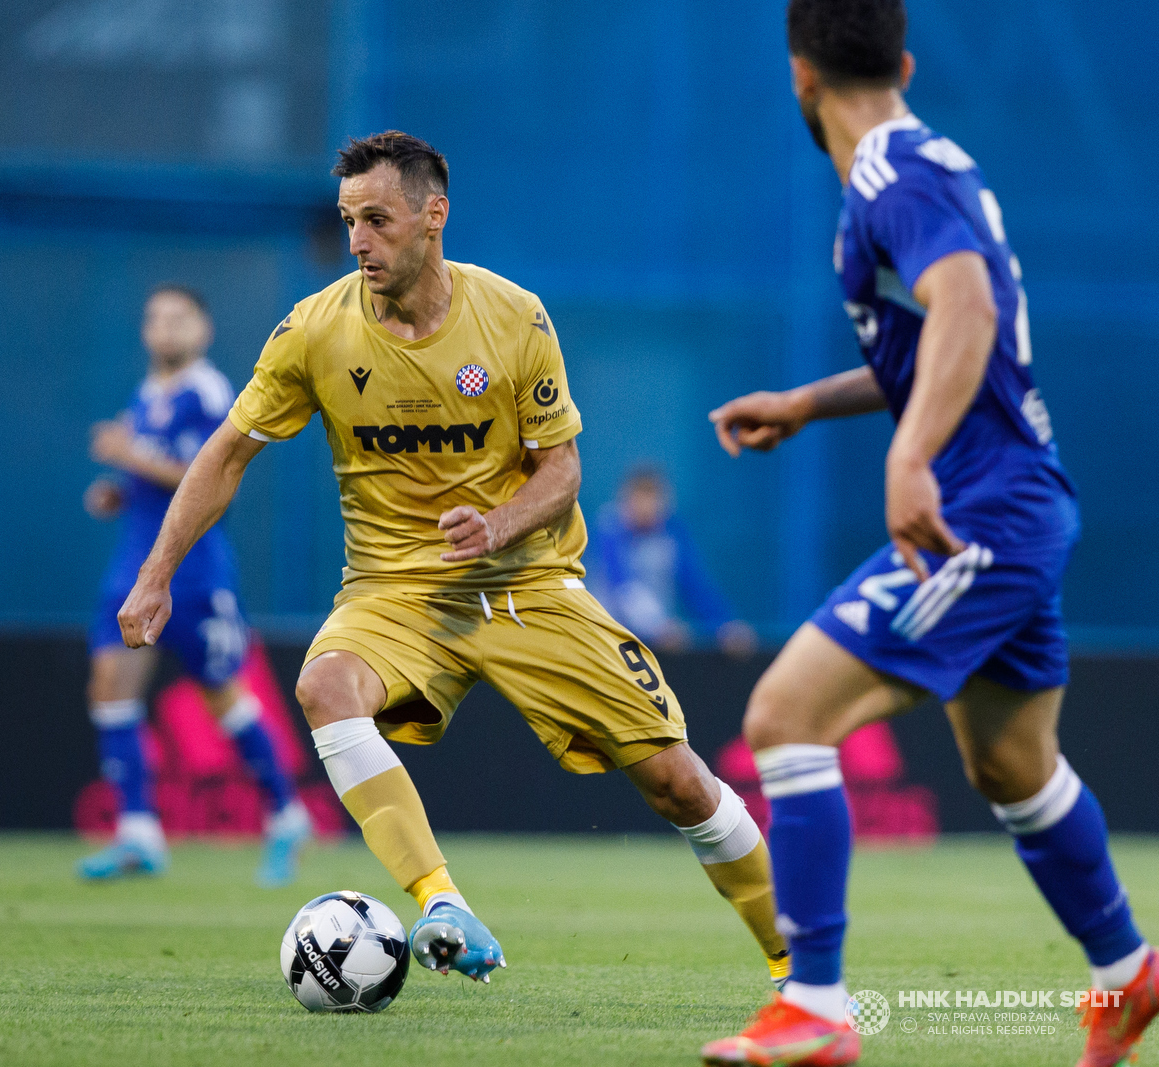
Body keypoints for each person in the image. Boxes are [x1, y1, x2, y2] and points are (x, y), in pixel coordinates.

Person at [117, 131, 791, 990]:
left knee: (678, 783)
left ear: (434, 216)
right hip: (394, 591)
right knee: (325, 686)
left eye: (377, 220)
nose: (359, 240)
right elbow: (224, 453)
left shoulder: (514, 315)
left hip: (528, 583)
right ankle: (442, 900)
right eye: (347, 221)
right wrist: (155, 572)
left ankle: (796, 964)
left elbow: (565, 467)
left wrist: (501, 523)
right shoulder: (314, 332)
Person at [700, 4, 1154, 1064]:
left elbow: (967, 314)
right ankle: (1130, 975)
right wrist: (809, 402)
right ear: (901, 63)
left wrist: (908, 458)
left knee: (784, 714)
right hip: (1016, 501)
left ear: (798, 77)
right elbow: (935, 339)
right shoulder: (919, 163)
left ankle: (813, 1005)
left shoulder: (888, 179)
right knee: (1011, 765)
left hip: (982, 510)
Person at [78, 284, 312, 887]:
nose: (165, 327)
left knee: (220, 692)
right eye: (155, 317)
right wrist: (120, 492)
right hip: (132, 564)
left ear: (203, 331)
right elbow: (156, 480)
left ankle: (286, 814)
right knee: (110, 686)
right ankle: (137, 833)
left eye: (179, 318)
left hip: (195, 570)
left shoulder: (208, 391)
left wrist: (129, 456)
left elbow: (203, 473)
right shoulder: (147, 395)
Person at [589, 465, 758, 655]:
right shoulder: (609, 528)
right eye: (640, 499)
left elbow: (694, 585)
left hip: (658, 644)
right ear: (627, 500)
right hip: (608, 641)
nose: (647, 507)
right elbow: (623, 588)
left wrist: (725, 627)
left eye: (653, 498)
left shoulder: (674, 530)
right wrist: (657, 626)